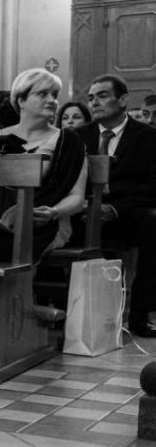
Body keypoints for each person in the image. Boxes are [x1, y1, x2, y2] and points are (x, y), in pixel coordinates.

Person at [0, 68, 87, 263]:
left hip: (45, 224)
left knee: (19, 247)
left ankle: (17, 282)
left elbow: (77, 197)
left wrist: (53, 213)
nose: (52, 100)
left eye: (54, 95)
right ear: (21, 100)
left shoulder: (69, 141)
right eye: (43, 94)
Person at [74, 74, 156, 337]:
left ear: (122, 100)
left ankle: (140, 315)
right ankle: (59, 312)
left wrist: (115, 208)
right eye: (90, 98)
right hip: (81, 212)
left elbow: (152, 188)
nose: (94, 102)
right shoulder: (77, 136)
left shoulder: (148, 137)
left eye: (102, 96)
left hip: (127, 214)